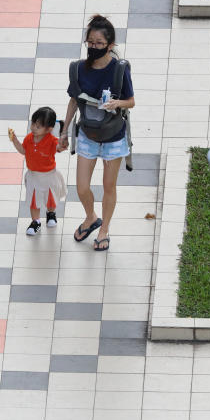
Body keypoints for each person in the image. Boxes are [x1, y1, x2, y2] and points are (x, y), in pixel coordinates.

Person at [58, 14, 135, 252]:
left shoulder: (119, 69)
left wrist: (116, 104)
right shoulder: (78, 68)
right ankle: (91, 217)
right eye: (90, 42)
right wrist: (64, 131)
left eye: (99, 43)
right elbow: (74, 100)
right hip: (88, 135)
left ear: (110, 45)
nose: (93, 47)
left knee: (108, 186)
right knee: (81, 187)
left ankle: (104, 229)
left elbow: (131, 101)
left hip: (113, 137)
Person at [8, 107, 67, 236]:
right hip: (33, 176)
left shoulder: (52, 140)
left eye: (38, 126)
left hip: (49, 175)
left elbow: (59, 147)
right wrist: (15, 140)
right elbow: (23, 150)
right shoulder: (29, 138)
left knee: (50, 198)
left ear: (49, 129)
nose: (33, 127)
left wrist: (63, 145)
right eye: (33, 123)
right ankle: (36, 222)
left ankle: (51, 213)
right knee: (33, 201)